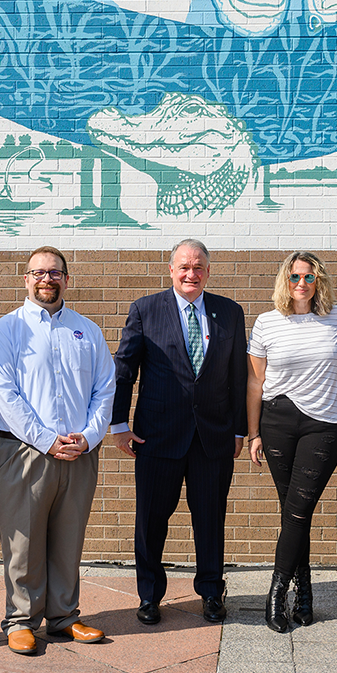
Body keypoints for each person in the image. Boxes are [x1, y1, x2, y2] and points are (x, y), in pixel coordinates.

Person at [0, 246, 115, 655]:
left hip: (78, 453)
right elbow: (4, 394)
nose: (47, 279)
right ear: (26, 279)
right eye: (38, 273)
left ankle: (63, 617)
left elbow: (105, 388)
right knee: (22, 541)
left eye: (55, 272)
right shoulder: (8, 329)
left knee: (67, 539)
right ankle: (21, 619)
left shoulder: (87, 330)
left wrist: (89, 437)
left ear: (66, 279)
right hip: (23, 452)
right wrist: (45, 439)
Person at [110, 239, 247, 625]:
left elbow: (238, 376)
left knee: (210, 520)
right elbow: (125, 370)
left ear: (208, 271)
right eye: (184, 267)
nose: (192, 274)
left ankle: (210, 592)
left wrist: (239, 430)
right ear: (171, 270)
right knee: (151, 520)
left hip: (213, 439)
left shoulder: (229, 312)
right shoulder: (146, 309)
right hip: (156, 437)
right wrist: (118, 425)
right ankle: (150, 596)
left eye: (199, 267)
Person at [247, 252, 337, 632]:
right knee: (292, 510)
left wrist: (332, 392)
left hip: (322, 425)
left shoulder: (336, 317)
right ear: (284, 281)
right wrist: (254, 432)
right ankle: (303, 591)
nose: (301, 284)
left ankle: (275, 594)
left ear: (318, 281)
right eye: (294, 278)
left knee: (297, 510)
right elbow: (255, 382)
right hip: (277, 424)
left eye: (308, 277)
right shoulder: (267, 322)